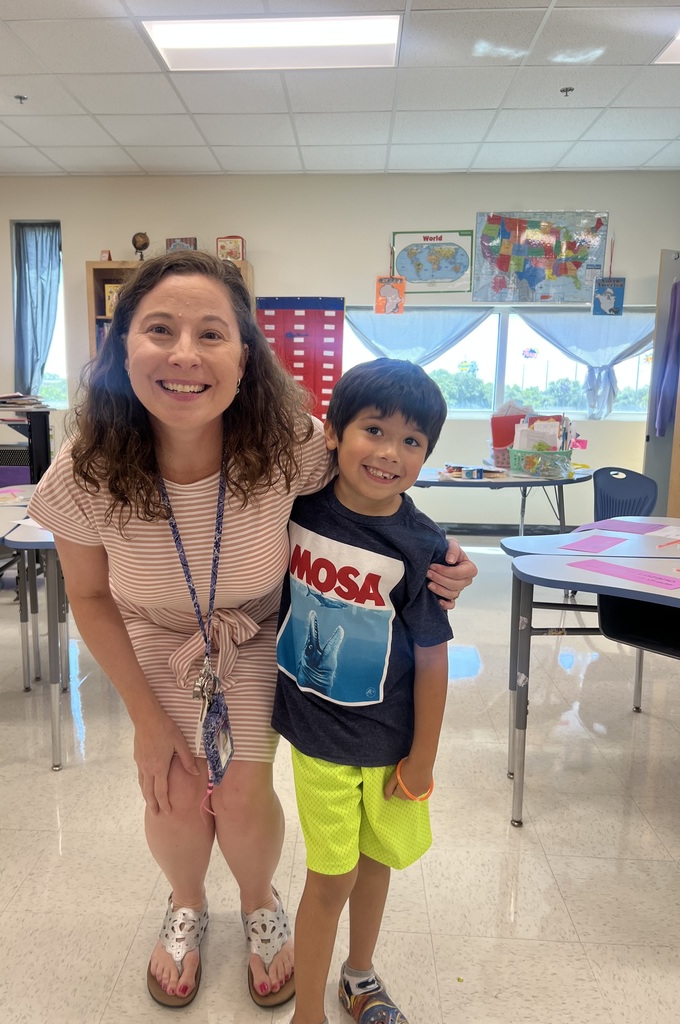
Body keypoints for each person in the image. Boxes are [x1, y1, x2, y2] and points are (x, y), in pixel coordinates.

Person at [27, 251, 476, 1010]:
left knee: (238, 793)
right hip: (153, 647)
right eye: (159, 330)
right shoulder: (85, 469)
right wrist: (144, 716)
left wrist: (442, 558)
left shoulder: (288, 441)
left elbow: (372, 490)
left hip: (254, 638)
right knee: (169, 788)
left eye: (211, 334)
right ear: (120, 348)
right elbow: (90, 596)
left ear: (244, 355)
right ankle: (186, 904)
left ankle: (260, 899)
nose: (184, 355)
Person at [273, 358, 453, 1024]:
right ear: (333, 434)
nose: (389, 453)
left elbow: (433, 660)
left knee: (376, 861)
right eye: (373, 430)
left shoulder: (423, 545)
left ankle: (359, 977)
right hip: (318, 736)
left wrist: (423, 759)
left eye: (411, 441)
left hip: (391, 737)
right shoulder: (295, 506)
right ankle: (308, 1015)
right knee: (332, 876)